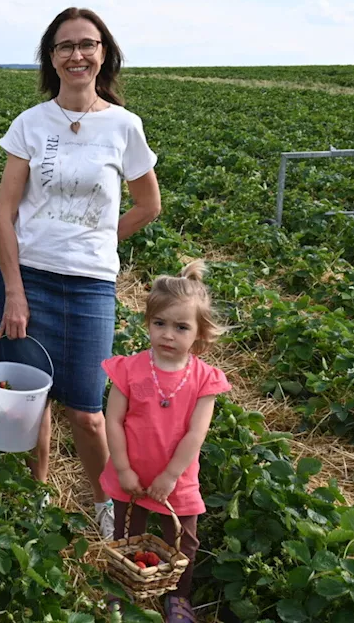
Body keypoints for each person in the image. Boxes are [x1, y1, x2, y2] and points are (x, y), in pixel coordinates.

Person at [0, 7, 162, 528]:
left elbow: (148, 205)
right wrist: (14, 292)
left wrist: (97, 241)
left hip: (90, 286)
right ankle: (36, 493)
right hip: (30, 279)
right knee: (29, 402)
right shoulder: (31, 122)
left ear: (104, 53)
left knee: (88, 412)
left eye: (87, 45)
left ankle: (103, 502)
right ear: (52, 57)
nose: (77, 55)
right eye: (65, 46)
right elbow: (3, 213)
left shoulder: (123, 126)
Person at [102, 260, 229, 622]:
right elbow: (113, 419)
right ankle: (124, 589)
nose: (168, 335)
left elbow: (195, 433)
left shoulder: (205, 380)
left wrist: (171, 475)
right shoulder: (129, 369)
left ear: (200, 334)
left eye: (181, 327)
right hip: (133, 475)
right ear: (148, 324)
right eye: (159, 324)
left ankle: (178, 596)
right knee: (128, 533)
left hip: (178, 479)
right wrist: (123, 468)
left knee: (182, 541)